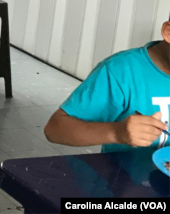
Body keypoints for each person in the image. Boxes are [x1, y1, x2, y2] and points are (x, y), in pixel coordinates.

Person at [43, 22, 170, 153]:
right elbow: (54, 130)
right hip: (124, 172)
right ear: (168, 32)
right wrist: (116, 132)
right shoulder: (120, 72)